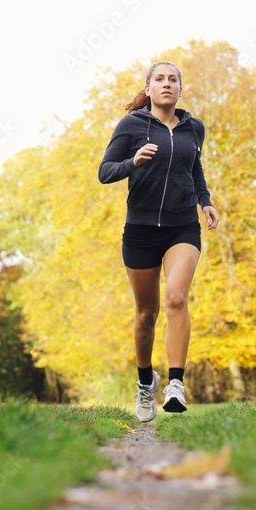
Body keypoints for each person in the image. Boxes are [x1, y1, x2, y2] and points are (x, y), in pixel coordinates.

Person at [98, 60, 219, 421]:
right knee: (146, 313)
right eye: (159, 79)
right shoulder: (132, 125)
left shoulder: (193, 128)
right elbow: (105, 172)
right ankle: (144, 383)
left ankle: (176, 384)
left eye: (173, 80)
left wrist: (205, 201)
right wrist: (132, 162)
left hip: (183, 226)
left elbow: (193, 167)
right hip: (141, 229)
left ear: (181, 88)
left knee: (177, 299)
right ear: (148, 88)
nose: (166, 84)